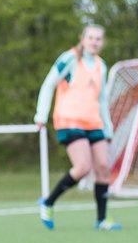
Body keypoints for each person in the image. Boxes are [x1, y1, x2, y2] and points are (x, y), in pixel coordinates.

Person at [34, 24, 121, 231]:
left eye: (98, 39)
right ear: (83, 39)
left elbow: (101, 100)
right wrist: (41, 114)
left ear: (103, 42)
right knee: (83, 167)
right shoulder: (70, 58)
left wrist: (107, 127)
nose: (94, 42)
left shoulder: (102, 66)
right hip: (69, 120)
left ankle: (102, 219)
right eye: (90, 37)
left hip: (94, 122)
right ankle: (48, 203)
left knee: (103, 167)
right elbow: (49, 84)